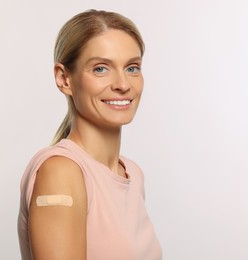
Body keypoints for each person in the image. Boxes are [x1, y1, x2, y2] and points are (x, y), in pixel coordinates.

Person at [18, 9, 162, 260]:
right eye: (100, 69)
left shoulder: (132, 173)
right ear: (64, 79)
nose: (123, 84)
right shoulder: (61, 172)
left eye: (132, 68)